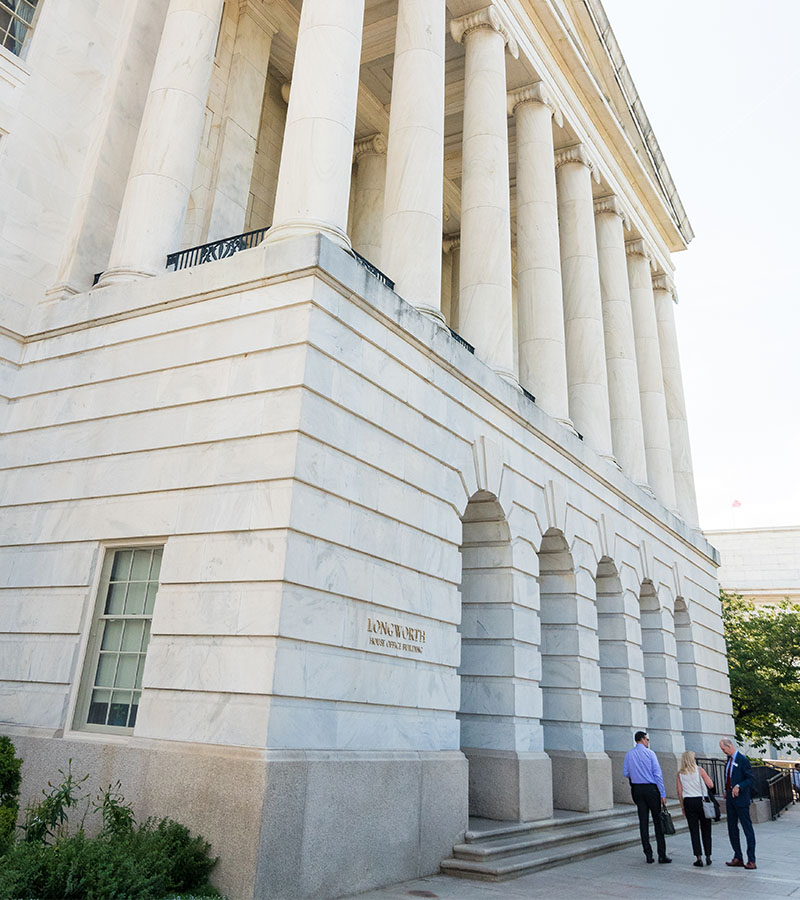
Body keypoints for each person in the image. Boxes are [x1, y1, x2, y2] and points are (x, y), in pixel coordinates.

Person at [623, 730, 671, 864]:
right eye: (647, 739)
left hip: (637, 789)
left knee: (643, 822)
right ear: (643, 740)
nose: (648, 742)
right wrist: (662, 793)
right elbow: (657, 774)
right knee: (657, 821)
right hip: (651, 789)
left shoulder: (629, 754)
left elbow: (625, 772)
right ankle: (662, 854)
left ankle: (648, 854)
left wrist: (636, 775)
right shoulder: (650, 754)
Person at [719, 738, 756, 869]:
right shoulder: (728, 761)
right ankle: (737, 856)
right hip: (730, 797)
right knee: (732, 827)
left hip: (740, 798)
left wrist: (739, 786)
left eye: (724, 749)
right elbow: (728, 777)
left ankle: (751, 859)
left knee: (747, 827)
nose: (723, 751)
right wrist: (726, 789)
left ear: (729, 746)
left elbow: (750, 779)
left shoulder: (742, 760)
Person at [676, 750, 714, 867]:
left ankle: (698, 857)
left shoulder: (680, 774)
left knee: (694, 830)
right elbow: (711, 784)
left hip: (689, 801)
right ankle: (708, 856)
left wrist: (682, 806)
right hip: (702, 801)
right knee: (706, 829)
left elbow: (679, 792)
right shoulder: (700, 770)